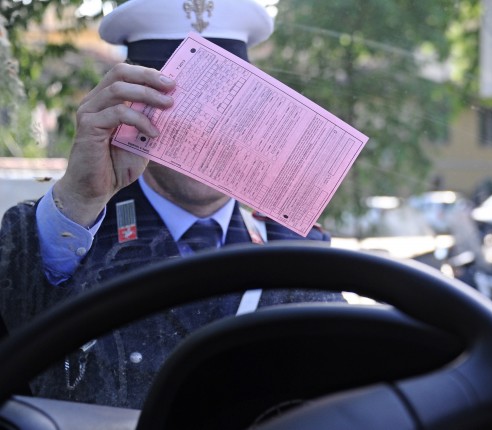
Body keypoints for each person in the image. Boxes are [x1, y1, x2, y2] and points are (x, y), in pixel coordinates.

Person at [0, 0, 344, 408]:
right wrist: (80, 196)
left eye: (227, 105)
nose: (204, 128)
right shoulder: (74, 229)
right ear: (125, 107)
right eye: (173, 102)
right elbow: (15, 311)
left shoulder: (292, 248)